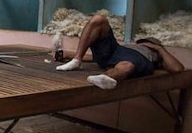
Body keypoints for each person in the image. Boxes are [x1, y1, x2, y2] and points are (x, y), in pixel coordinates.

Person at [55, 14, 184, 90]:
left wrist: (159, 49)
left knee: (127, 65)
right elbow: (96, 58)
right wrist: (69, 56)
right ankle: (77, 60)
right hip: (117, 50)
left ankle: (108, 77)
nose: (145, 43)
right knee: (99, 20)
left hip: (136, 59)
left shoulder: (154, 53)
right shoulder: (130, 46)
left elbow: (178, 69)